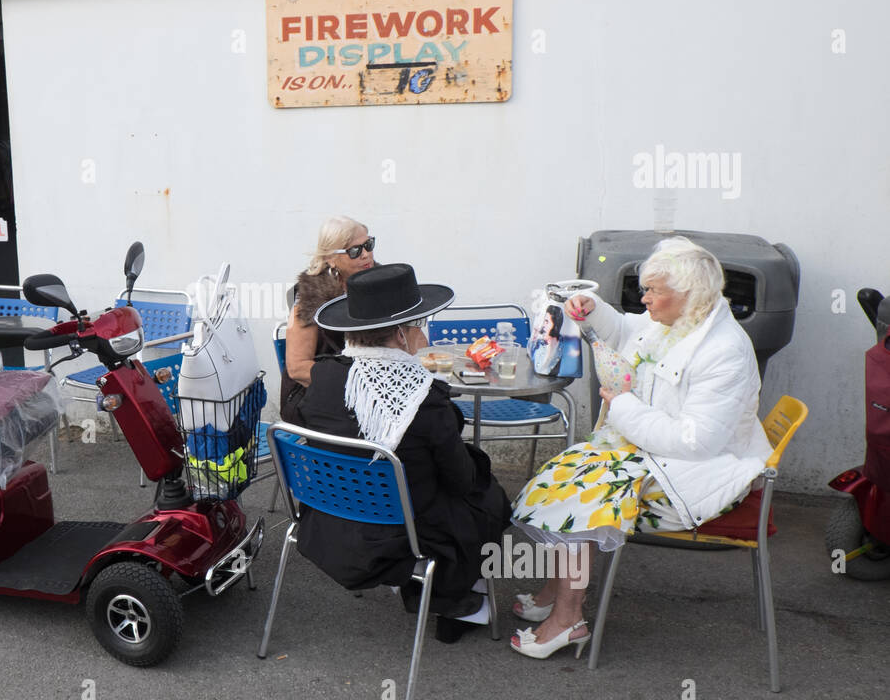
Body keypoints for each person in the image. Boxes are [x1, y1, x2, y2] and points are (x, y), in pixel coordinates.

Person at [507, 236, 773, 659]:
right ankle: (559, 591)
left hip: (695, 476)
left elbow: (696, 443)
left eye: (654, 291)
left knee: (574, 497)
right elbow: (630, 329)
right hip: (651, 454)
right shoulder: (681, 320)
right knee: (558, 476)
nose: (644, 298)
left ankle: (567, 619)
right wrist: (594, 312)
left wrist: (623, 407)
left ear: (689, 295)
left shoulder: (724, 351)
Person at [292, 263, 513, 642]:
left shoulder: (325, 378)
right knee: (488, 497)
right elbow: (460, 481)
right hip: (399, 533)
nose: (423, 333)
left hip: (329, 521)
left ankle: (442, 594)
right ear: (400, 334)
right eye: (418, 324)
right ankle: (452, 599)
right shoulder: (424, 399)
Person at [280, 216, 426, 421]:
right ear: (330, 257)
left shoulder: (381, 283)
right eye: (354, 251)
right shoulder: (309, 296)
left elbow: (417, 343)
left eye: (368, 245)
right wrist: (362, 388)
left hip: (381, 391)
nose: (366, 255)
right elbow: (297, 368)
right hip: (319, 398)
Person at [528, 303, 564, 376]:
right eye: (544, 321)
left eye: (547, 322)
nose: (543, 325)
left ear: (556, 325)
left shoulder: (565, 349)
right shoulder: (538, 345)